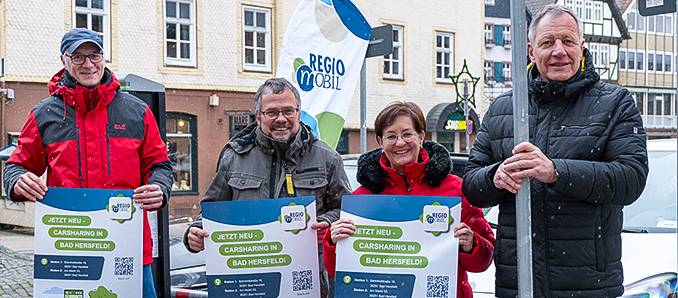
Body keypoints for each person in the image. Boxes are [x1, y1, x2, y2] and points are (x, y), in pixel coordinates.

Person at [461, 5, 648, 298]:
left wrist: (556, 172)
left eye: (568, 41)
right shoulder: (502, 108)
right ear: (531, 51)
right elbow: (471, 184)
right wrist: (494, 178)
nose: (559, 50)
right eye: (548, 42)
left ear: (582, 47)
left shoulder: (615, 103)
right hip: (517, 282)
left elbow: (631, 179)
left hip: (587, 285)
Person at [2, 28, 172, 297]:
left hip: (128, 248)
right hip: (69, 250)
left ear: (104, 57)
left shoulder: (137, 111)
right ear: (64, 61)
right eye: (78, 57)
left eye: (94, 54)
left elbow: (160, 164)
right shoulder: (44, 114)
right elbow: (15, 166)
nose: (88, 64)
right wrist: (16, 180)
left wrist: (160, 187)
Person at [183, 77, 351, 298]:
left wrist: (328, 224)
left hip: (306, 281)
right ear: (258, 116)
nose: (281, 119)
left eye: (288, 111)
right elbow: (213, 211)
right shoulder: (234, 157)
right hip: (248, 281)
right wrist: (192, 234)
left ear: (299, 113)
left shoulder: (326, 158)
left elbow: (346, 212)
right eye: (272, 112)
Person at [323, 102, 495, 298]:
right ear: (380, 141)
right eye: (391, 136)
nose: (399, 143)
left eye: (407, 134)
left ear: (421, 137)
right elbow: (341, 272)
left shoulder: (455, 189)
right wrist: (334, 241)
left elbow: (484, 261)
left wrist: (472, 244)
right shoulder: (363, 199)